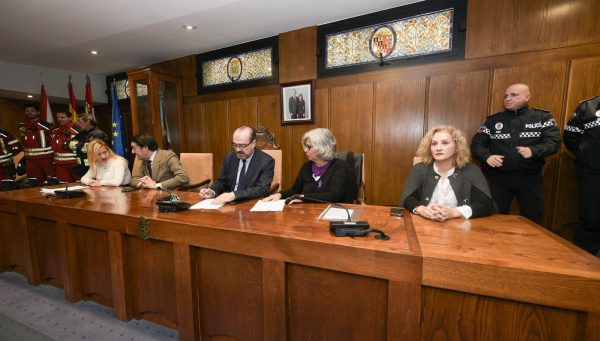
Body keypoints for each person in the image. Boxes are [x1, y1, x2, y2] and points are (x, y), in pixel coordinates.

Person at [471, 83, 560, 224]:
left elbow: (554, 143)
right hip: (498, 179)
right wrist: (487, 156)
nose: (508, 98)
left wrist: (533, 151)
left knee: (533, 219)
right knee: (493, 219)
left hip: (530, 178)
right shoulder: (493, 121)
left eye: (514, 95)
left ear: (527, 97)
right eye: (506, 96)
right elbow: (477, 144)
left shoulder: (542, 117)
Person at [400, 125, 494, 221]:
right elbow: (407, 198)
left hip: (460, 228)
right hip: (424, 226)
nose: (438, 148)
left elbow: (485, 205)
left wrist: (453, 212)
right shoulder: (420, 169)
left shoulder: (471, 170)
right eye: (434, 144)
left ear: (457, 147)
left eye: (445, 143)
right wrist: (422, 210)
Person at [263, 128, 356, 204]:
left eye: (309, 147)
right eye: (305, 146)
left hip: (334, 213)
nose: (305, 150)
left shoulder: (341, 167)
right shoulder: (306, 167)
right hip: (309, 212)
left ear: (322, 147)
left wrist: (304, 197)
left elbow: (334, 195)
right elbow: (295, 189)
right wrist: (280, 195)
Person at [563, 95, 600, 256]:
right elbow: (570, 136)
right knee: (590, 217)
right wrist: (588, 158)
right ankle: (585, 262)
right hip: (593, 173)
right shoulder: (587, 106)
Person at [200, 126, 274, 204]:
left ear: (253, 143)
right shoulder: (230, 157)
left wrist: (235, 195)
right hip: (228, 205)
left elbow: (262, 190)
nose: (238, 150)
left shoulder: (266, 161)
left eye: (242, 146)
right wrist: (212, 191)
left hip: (249, 204)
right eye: (235, 145)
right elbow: (222, 181)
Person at [19, 103, 55, 185]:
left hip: (46, 159)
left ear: (38, 112)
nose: (29, 113)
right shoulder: (22, 126)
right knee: (34, 182)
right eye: (27, 111)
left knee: (52, 181)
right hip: (30, 160)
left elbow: (54, 142)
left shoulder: (48, 126)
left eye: (32, 111)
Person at [70, 114, 109, 180]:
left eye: (80, 121)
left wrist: (78, 145)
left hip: (94, 166)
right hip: (81, 168)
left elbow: (91, 148)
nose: (78, 123)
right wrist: (83, 145)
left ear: (88, 122)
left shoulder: (99, 134)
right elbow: (70, 144)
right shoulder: (81, 133)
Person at [51, 111, 78, 182]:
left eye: (62, 117)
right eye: (58, 117)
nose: (60, 119)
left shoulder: (77, 131)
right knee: (64, 186)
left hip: (75, 164)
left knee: (79, 185)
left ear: (69, 118)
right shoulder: (54, 132)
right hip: (60, 165)